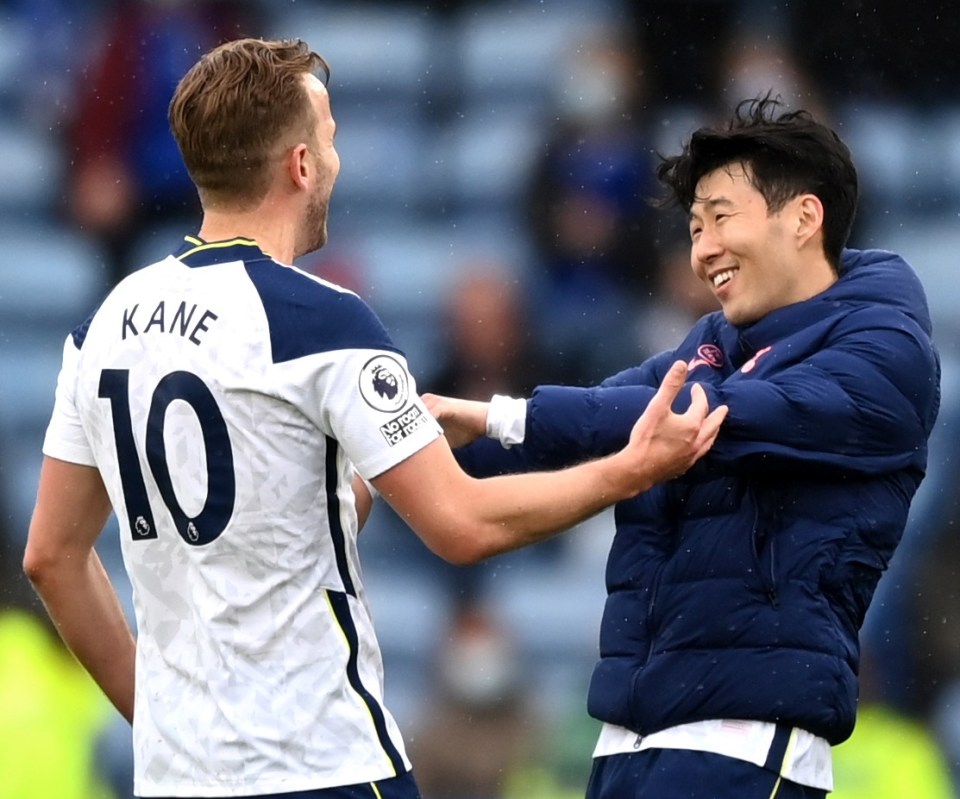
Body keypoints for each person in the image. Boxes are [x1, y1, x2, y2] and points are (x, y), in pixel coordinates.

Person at [21, 38, 727, 799]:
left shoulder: (108, 322)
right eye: (327, 137)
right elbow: (462, 524)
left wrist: (156, 716)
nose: (334, 157)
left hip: (180, 777)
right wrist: (633, 468)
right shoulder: (321, 320)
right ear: (298, 165)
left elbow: (52, 557)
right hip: (323, 765)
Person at [425, 96, 941, 798]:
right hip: (629, 740)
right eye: (695, 227)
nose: (702, 249)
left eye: (722, 218)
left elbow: (710, 416)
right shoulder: (712, 345)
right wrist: (478, 418)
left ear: (805, 217)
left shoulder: (886, 349)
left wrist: (501, 418)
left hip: (740, 742)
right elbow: (605, 410)